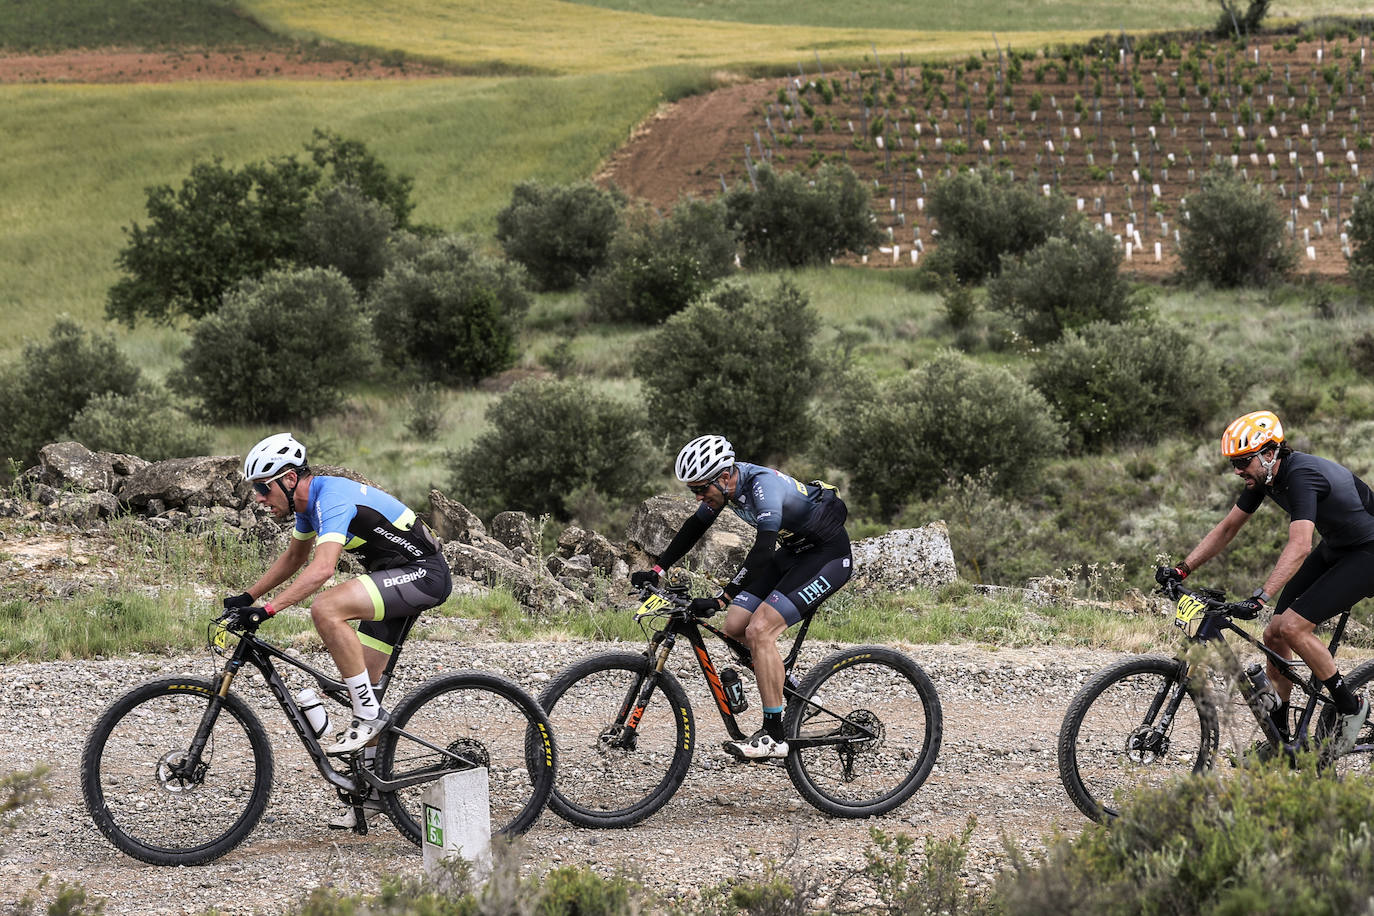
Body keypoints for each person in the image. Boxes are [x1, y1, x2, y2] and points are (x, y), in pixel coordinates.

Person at [223, 433, 453, 825]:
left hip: (423, 575)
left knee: (326, 608)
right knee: (362, 683)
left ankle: (369, 717)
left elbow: (323, 568)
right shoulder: (305, 506)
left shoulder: (332, 497)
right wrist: (248, 596)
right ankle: (372, 795)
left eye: (263, 488)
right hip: (393, 577)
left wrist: (270, 609)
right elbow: (296, 556)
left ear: (290, 479)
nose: (259, 499)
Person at [1156, 410, 1373, 761]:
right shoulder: (1264, 479)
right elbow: (1227, 528)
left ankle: (1352, 705)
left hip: (1367, 553)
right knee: (1274, 635)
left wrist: (1261, 597)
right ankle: (1282, 743)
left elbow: (1300, 545)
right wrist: (1182, 570)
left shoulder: (1301, 475)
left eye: (1242, 461)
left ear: (1269, 454)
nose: (1238, 471)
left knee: (1290, 626)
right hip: (1337, 547)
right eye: (1233, 464)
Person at [631, 434, 852, 760]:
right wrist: (658, 569)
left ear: (723, 476)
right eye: (693, 490)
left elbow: (762, 551)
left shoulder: (763, 487)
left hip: (827, 557)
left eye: (700, 489)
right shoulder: (724, 489)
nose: (698, 497)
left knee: (759, 629)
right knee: (735, 626)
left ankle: (774, 735)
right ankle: (796, 694)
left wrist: (721, 597)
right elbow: (694, 527)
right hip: (794, 553)